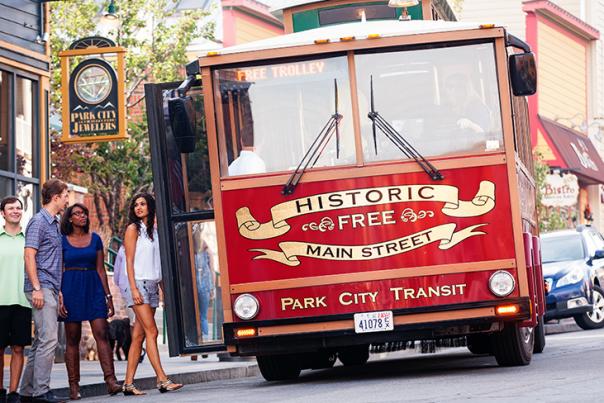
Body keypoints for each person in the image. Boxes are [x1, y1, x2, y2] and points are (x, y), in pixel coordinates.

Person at [58, 203, 121, 399]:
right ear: (70, 218)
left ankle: (111, 381)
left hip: (93, 287)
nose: (82, 216)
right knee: (73, 337)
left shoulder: (95, 239)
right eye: (77, 214)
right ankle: (74, 386)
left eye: (84, 213)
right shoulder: (62, 241)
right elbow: (59, 269)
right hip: (70, 288)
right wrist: (59, 295)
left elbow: (101, 270)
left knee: (101, 332)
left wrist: (108, 297)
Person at [122, 193, 183, 395]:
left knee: (138, 336)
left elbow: (158, 263)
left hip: (153, 285)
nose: (139, 207)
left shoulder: (154, 232)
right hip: (139, 284)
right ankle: (162, 380)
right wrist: (133, 289)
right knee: (152, 331)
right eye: (136, 204)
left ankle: (128, 384)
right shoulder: (133, 230)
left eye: (143, 204)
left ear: (150, 207)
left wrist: (164, 290)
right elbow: (128, 261)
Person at [21, 179, 69, 403]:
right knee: (49, 340)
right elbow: (29, 255)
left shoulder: (54, 222)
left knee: (41, 341)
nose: (68, 199)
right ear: (56, 197)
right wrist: (38, 288)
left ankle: (27, 392)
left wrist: (57, 290)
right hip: (40, 287)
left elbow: (51, 258)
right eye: (66, 194)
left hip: (50, 286)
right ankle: (41, 392)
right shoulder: (38, 222)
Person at [0, 197, 32, 403]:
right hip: (0, 301)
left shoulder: (28, 240)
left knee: (19, 348)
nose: (15, 211)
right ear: (2, 213)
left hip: (23, 301)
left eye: (18, 208)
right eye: (11, 208)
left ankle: (13, 392)